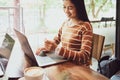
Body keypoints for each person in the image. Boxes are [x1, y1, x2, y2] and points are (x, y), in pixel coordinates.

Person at [36, 0, 93, 66]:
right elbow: (57, 39)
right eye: (64, 7)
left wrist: (57, 49)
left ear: (79, 7)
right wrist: (47, 47)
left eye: (70, 8)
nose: (66, 11)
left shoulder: (86, 26)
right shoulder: (66, 23)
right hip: (65, 62)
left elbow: (84, 56)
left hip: (78, 67)